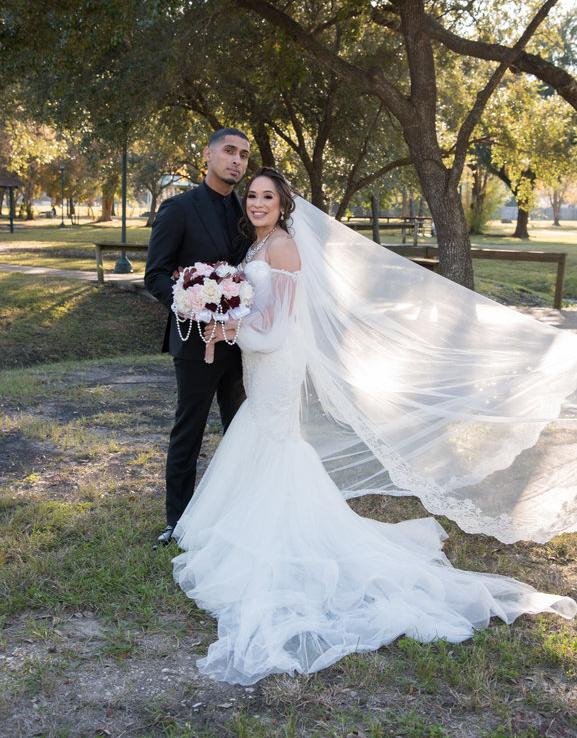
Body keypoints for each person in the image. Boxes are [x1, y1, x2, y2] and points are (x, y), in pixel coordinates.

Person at [171, 167, 577, 686]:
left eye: (267, 196)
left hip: (276, 359)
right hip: (260, 360)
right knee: (262, 435)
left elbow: (280, 327)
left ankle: (282, 536)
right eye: (251, 195)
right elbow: (261, 311)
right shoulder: (256, 247)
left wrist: (232, 327)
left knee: (275, 440)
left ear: (283, 203)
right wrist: (227, 314)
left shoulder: (285, 248)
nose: (256, 203)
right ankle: (253, 527)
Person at [144, 127, 250, 547]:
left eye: (243, 154)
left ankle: (238, 510)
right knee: (188, 429)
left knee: (241, 428)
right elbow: (155, 275)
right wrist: (196, 306)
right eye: (229, 151)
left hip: (243, 341)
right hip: (194, 341)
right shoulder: (179, 209)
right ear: (208, 155)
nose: (236, 160)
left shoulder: (251, 211)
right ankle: (179, 519)